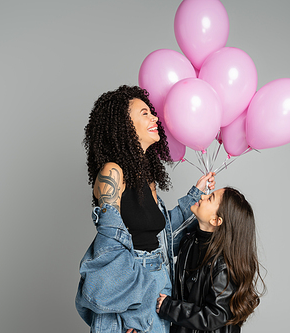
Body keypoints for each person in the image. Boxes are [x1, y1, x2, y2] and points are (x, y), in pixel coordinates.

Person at [75, 85, 215, 333]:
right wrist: (132, 315)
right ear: (124, 124)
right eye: (145, 113)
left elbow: (164, 237)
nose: (154, 118)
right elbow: (108, 251)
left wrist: (197, 194)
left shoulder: (147, 178)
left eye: (152, 112)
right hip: (130, 296)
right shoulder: (112, 173)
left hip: (159, 285)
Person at [156, 187, 265, 333]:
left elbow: (214, 316)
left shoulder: (224, 264)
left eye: (210, 198)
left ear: (215, 220)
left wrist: (169, 307)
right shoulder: (189, 242)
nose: (203, 197)